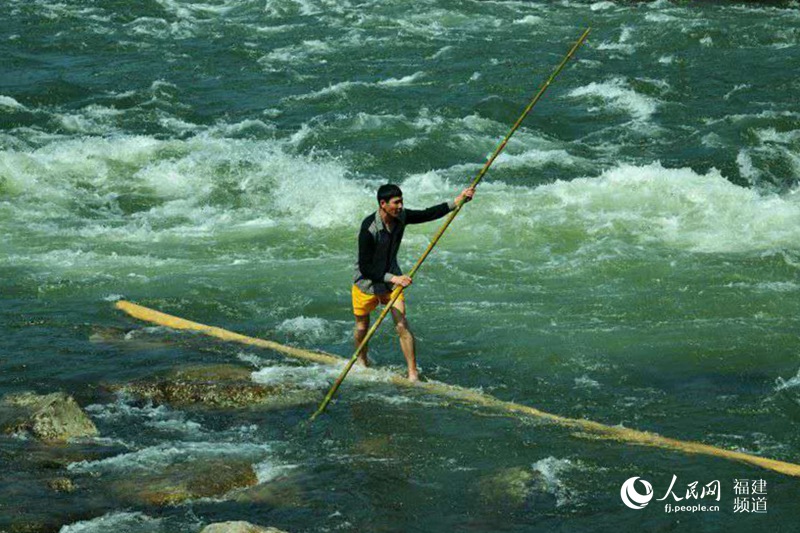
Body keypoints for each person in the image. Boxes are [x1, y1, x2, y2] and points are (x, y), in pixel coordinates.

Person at [352, 183, 475, 381]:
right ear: (383, 204)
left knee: (401, 325)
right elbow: (366, 268)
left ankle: (412, 373)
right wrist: (394, 278)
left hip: (392, 282)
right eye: (396, 202)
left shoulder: (401, 217)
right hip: (366, 283)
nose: (400, 206)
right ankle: (362, 361)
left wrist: (458, 201)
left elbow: (427, 214)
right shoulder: (369, 228)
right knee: (361, 328)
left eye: (401, 201)